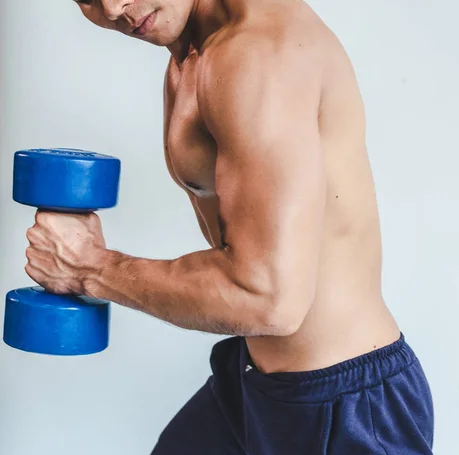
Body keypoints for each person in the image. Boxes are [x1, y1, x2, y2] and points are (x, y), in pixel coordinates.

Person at [25, 0, 434, 453]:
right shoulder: (192, 52)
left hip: (344, 408)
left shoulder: (258, 55)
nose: (113, 7)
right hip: (252, 385)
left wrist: (90, 269)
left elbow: (267, 299)